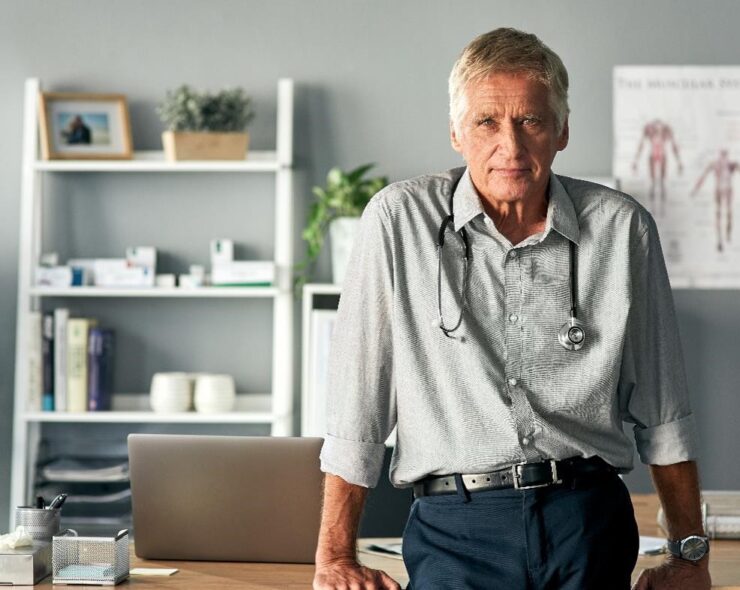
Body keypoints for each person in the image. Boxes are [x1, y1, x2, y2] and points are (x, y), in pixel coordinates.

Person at [313, 28, 710, 590]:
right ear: (455, 131)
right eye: (487, 122)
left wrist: (689, 557)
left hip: (587, 522)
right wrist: (334, 557)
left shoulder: (623, 229)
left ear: (562, 130)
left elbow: (665, 412)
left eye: (531, 121)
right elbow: (358, 412)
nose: (512, 146)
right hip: (455, 526)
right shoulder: (397, 222)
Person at [632, 118, 682, 217]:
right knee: (653, 183)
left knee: (662, 183)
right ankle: (652, 209)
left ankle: (662, 209)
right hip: (653, 154)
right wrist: (636, 161)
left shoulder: (665, 129)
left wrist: (678, 161)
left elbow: (673, 145)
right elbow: (641, 144)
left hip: (662, 155)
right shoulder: (649, 129)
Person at [691, 149, 739, 252]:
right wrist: (695, 189)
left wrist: (695, 189)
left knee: (727, 213)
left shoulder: (731, 164)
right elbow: (703, 176)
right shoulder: (718, 164)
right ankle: (721, 239)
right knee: (721, 213)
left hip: (726, 190)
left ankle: (727, 235)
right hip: (721, 190)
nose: (723, 158)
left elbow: (703, 176)